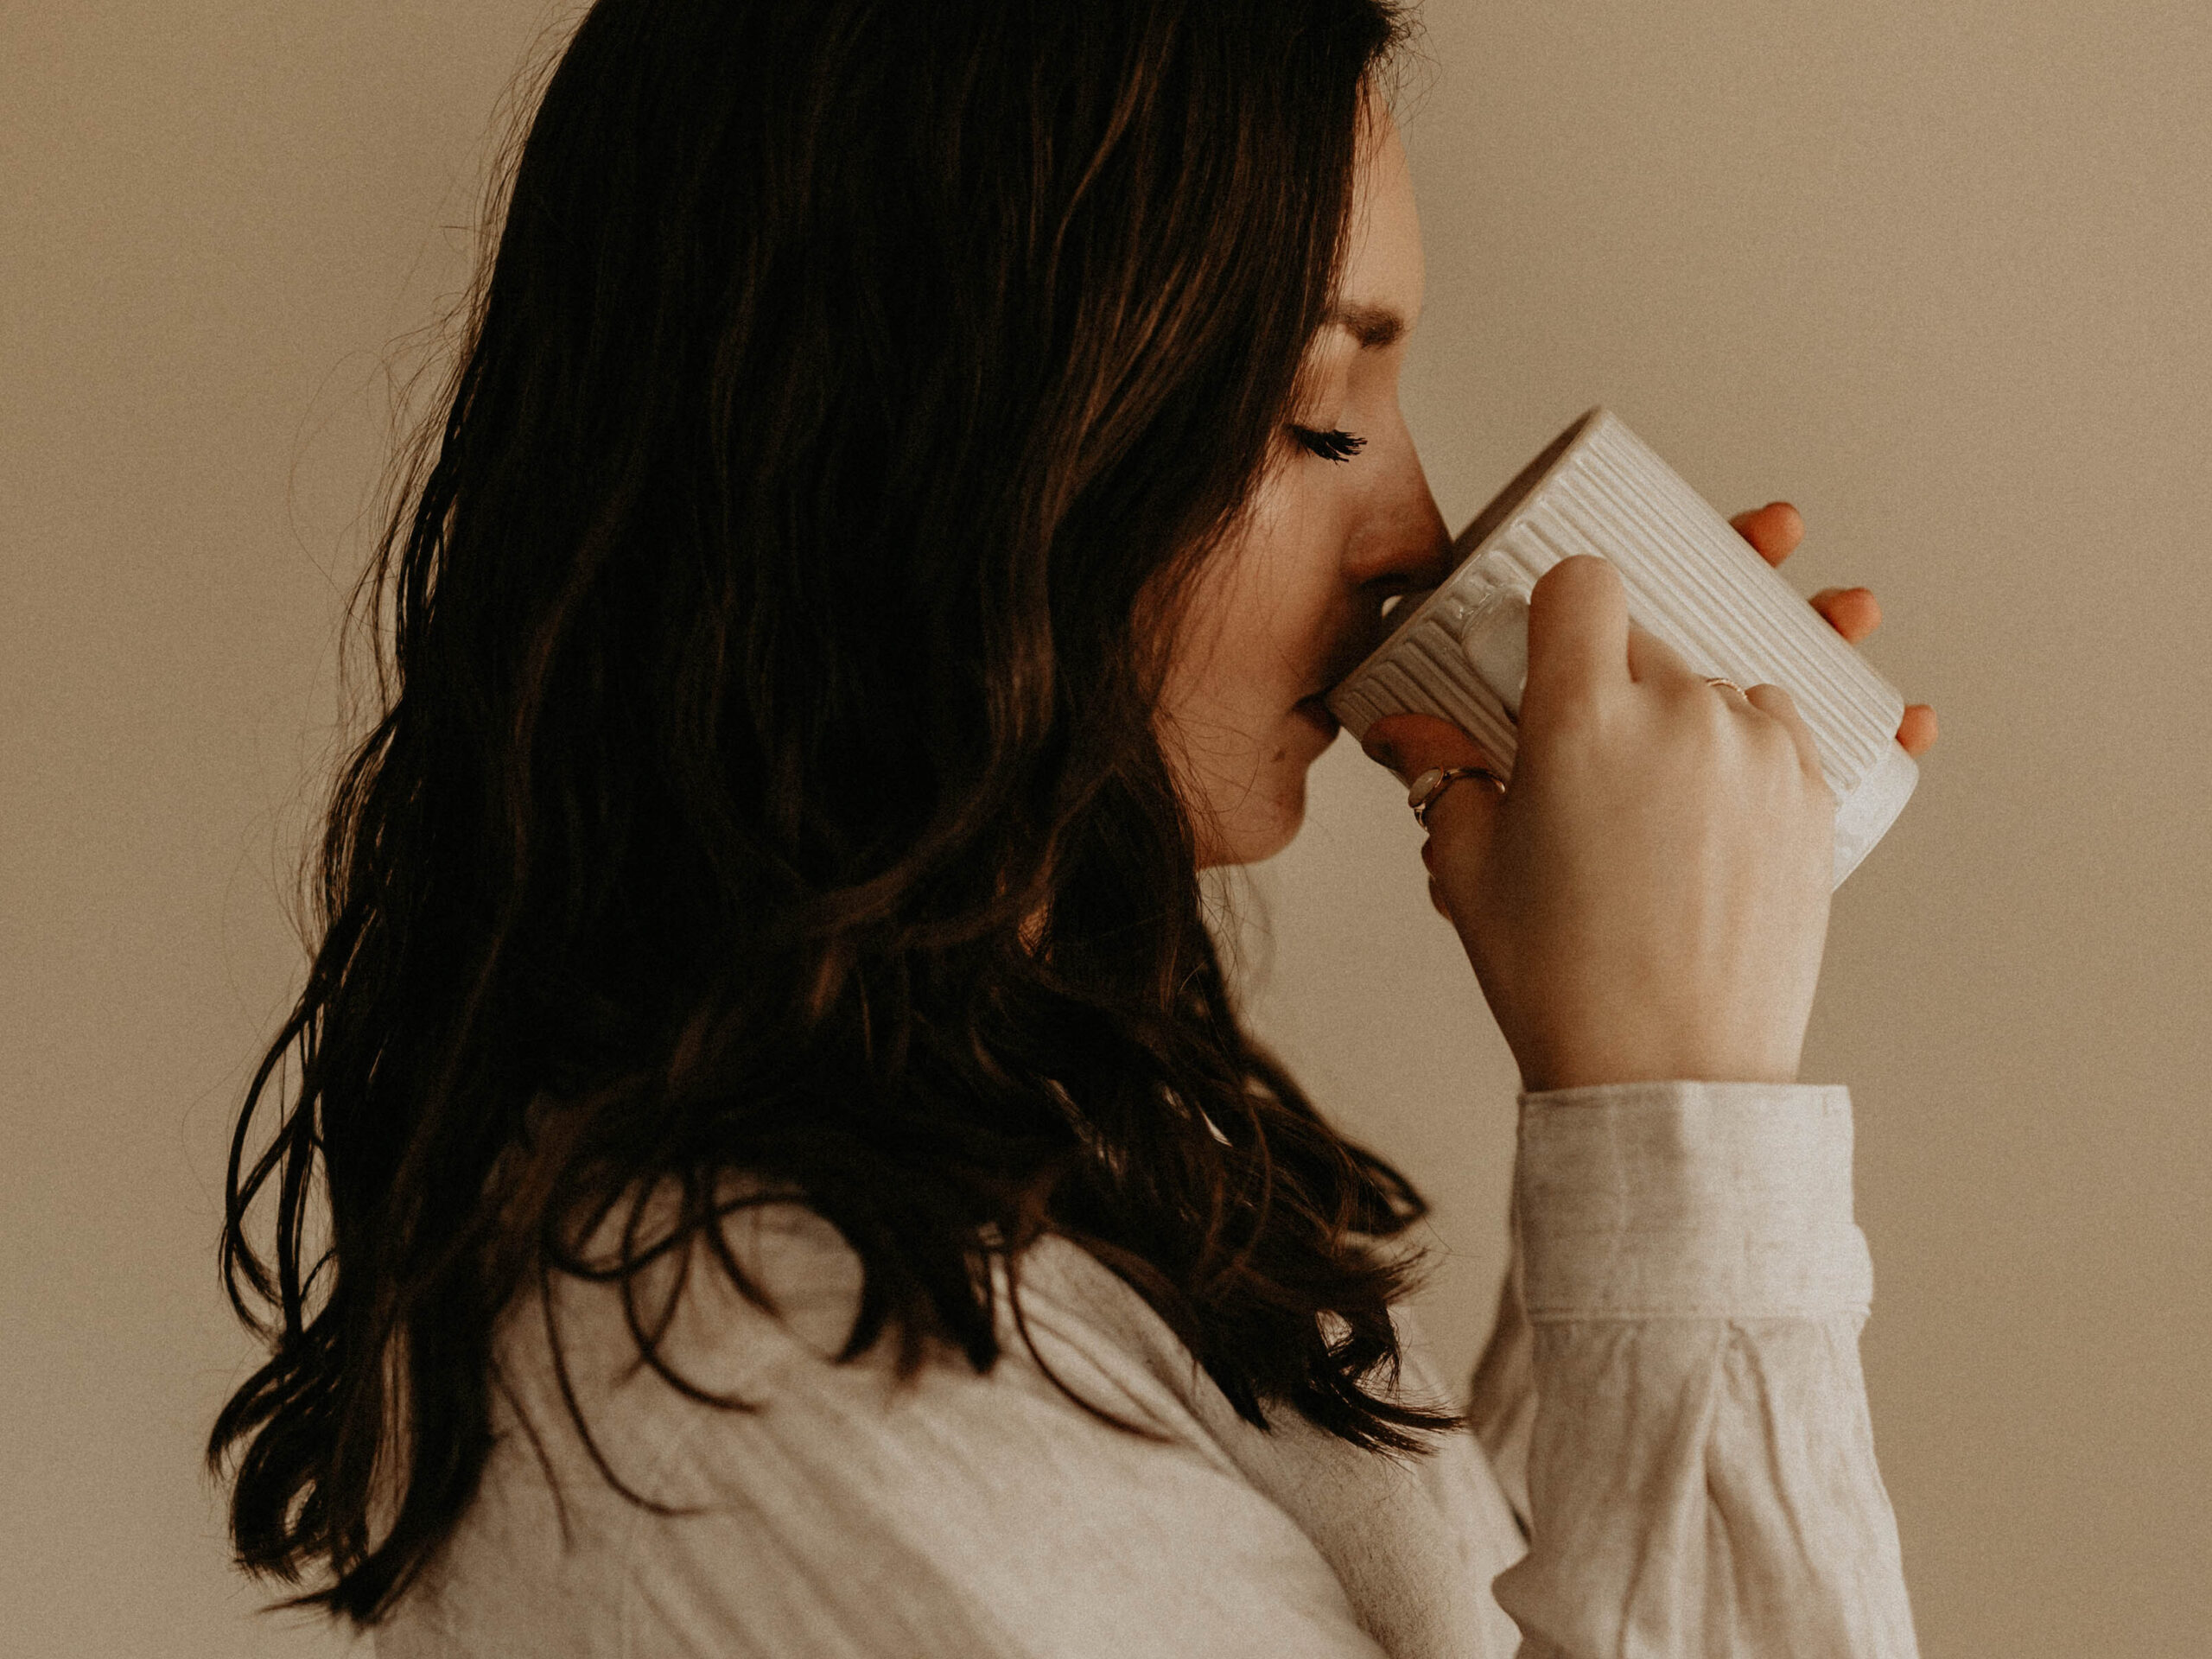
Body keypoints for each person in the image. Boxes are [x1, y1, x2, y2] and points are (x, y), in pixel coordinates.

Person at [208, 1, 1941, 1654]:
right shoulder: (767, 1361)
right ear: (938, 445)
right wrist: (1674, 1108)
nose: (1411, 531)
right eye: (1309, 412)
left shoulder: (1030, 1150)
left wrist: (1642, 1075)